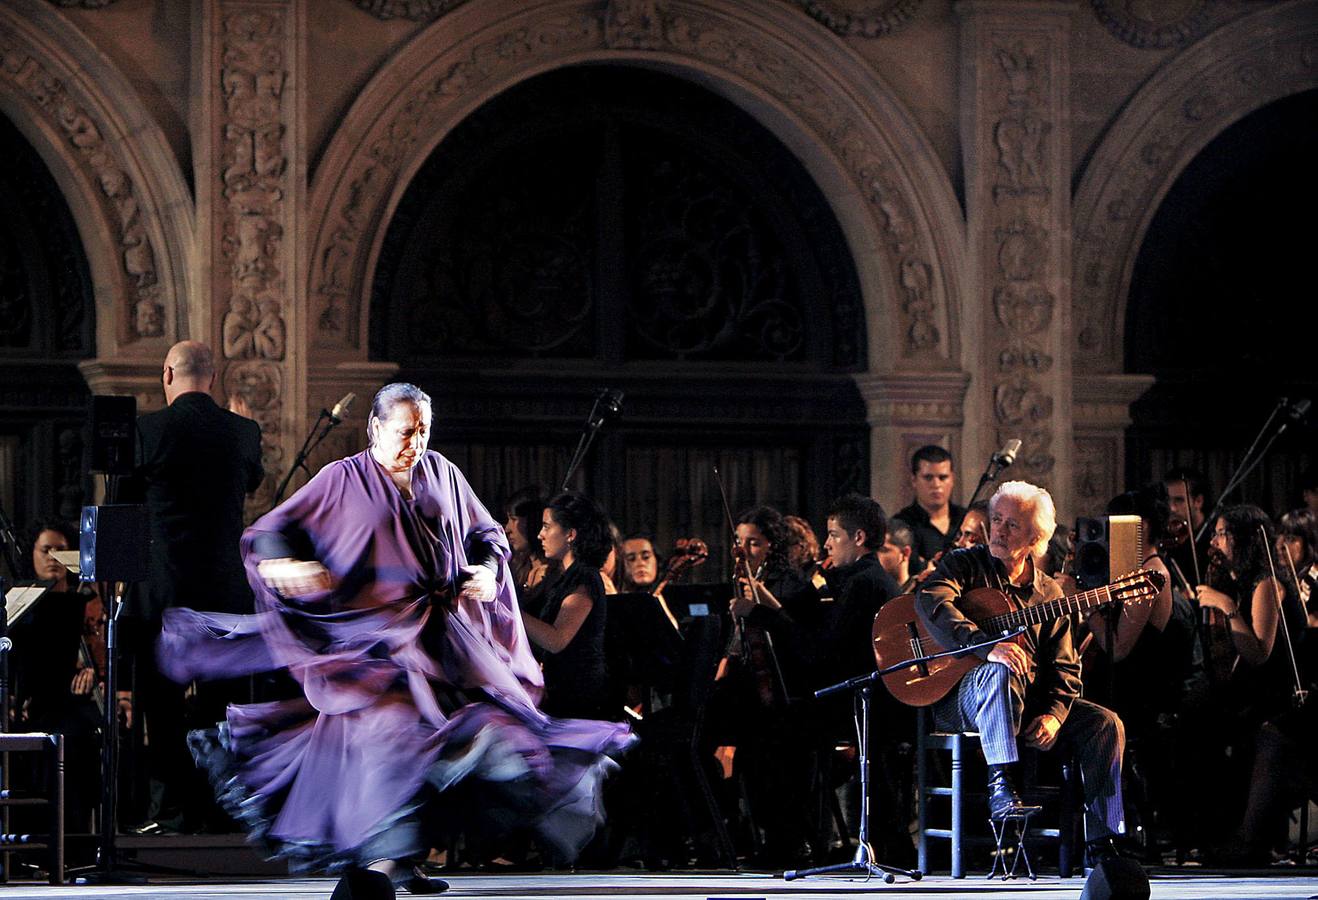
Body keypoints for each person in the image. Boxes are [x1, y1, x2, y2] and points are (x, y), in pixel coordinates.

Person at [157, 383, 632, 897]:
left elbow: (487, 536)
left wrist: (491, 572)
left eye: (424, 430)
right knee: (393, 743)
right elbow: (274, 530)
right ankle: (378, 870)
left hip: (445, 644)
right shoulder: (340, 480)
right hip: (375, 646)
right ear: (375, 428)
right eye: (406, 431)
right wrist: (285, 563)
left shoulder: (443, 474)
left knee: (468, 747)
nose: (417, 442)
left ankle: (399, 861)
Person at [915, 481, 1129, 863]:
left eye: (1011, 525)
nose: (997, 529)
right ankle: (1002, 784)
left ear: (1036, 537)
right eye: (996, 520)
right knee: (1000, 667)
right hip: (960, 697)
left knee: (1106, 723)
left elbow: (1066, 668)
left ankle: (1103, 842)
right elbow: (931, 598)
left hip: (1026, 700)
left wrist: (1055, 714)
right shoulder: (966, 564)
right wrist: (984, 645)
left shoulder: (1049, 595)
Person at [126, 339, 263, 832]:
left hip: (160, 592)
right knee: (221, 707)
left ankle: (169, 812)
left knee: (159, 708)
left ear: (167, 375)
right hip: (225, 593)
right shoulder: (243, 432)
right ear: (214, 377)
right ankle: (218, 811)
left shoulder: (145, 431)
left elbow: (120, 504)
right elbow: (250, 482)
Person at [521, 492, 613, 720]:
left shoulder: (585, 579)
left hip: (579, 700)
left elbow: (556, 640)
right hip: (564, 692)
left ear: (570, 534)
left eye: (546, 527)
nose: (540, 535)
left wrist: (509, 609)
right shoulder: (568, 577)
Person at [894, 446, 964, 571]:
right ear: (914, 480)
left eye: (943, 478)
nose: (936, 485)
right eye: (928, 478)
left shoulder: (966, 518)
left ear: (952, 479)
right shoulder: (901, 525)